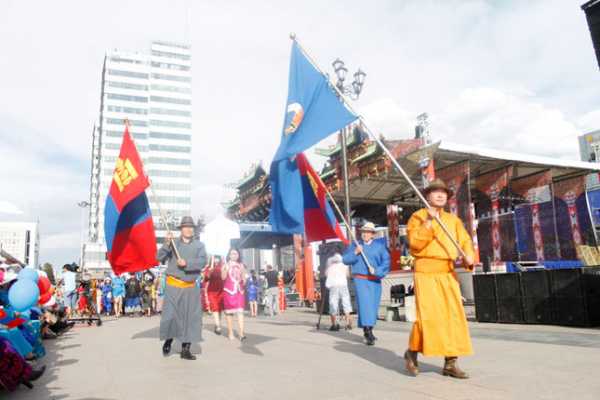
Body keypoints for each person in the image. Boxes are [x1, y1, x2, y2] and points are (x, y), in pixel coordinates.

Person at [404, 178, 475, 379]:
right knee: (429, 317)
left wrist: (469, 255)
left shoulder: (453, 220)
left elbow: (465, 241)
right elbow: (415, 244)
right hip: (426, 271)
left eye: (443, 192)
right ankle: (412, 352)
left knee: (454, 316)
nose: (440, 194)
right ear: (427, 195)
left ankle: (451, 362)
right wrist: (429, 222)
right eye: (435, 191)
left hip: (448, 272)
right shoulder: (418, 217)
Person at [158, 216, 207, 361]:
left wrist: (187, 263)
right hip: (174, 285)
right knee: (171, 315)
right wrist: (166, 243)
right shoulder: (173, 243)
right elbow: (159, 257)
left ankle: (186, 349)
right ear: (181, 229)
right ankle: (169, 340)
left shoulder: (199, 245)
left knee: (190, 319)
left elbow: (202, 261)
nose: (188, 229)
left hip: (191, 287)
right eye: (185, 226)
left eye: (190, 227)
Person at [342, 222, 390, 346]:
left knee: (373, 306)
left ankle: (369, 329)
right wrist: (355, 253)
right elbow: (345, 260)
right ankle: (367, 332)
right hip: (361, 280)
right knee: (365, 305)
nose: (365, 234)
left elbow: (386, 262)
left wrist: (377, 271)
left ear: (373, 234)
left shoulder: (379, 247)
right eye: (363, 232)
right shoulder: (355, 245)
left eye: (368, 232)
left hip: (375, 280)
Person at [221, 248, 247, 341]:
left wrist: (244, 280)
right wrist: (224, 269)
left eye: (236, 254)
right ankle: (230, 332)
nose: (234, 255)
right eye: (232, 254)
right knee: (229, 314)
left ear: (238, 255)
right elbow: (223, 278)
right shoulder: (225, 265)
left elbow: (244, 278)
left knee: (240, 312)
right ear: (229, 255)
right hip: (229, 291)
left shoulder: (241, 265)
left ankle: (241, 333)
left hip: (239, 291)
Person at [325, 253, 353, 331]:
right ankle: (347, 324)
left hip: (334, 286)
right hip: (343, 285)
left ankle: (334, 324)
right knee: (346, 303)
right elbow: (348, 275)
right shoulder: (345, 265)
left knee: (333, 304)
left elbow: (326, 274)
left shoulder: (330, 266)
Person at [203, 255, 224, 335]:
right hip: (212, 291)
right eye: (214, 258)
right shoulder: (208, 268)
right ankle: (218, 326)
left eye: (217, 258)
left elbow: (225, 277)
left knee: (219, 309)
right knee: (215, 307)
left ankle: (217, 324)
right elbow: (206, 278)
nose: (216, 260)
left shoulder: (222, 266)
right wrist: (210, 269)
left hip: (221, 290)